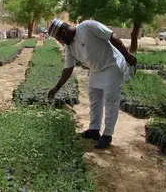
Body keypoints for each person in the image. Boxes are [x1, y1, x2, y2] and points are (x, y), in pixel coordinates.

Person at [47, 19, 137, 149]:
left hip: (112, 64)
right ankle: (94, 130)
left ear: (64, 31)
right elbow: (68, 69)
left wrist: (127, 55)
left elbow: (111, 36)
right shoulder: (69, 47)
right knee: (94, 98)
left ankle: (107, 135)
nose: (59, 41)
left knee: (111, 101)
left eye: (58, 37)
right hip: (95, 69)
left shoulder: (87, 27)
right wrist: (56, 88)